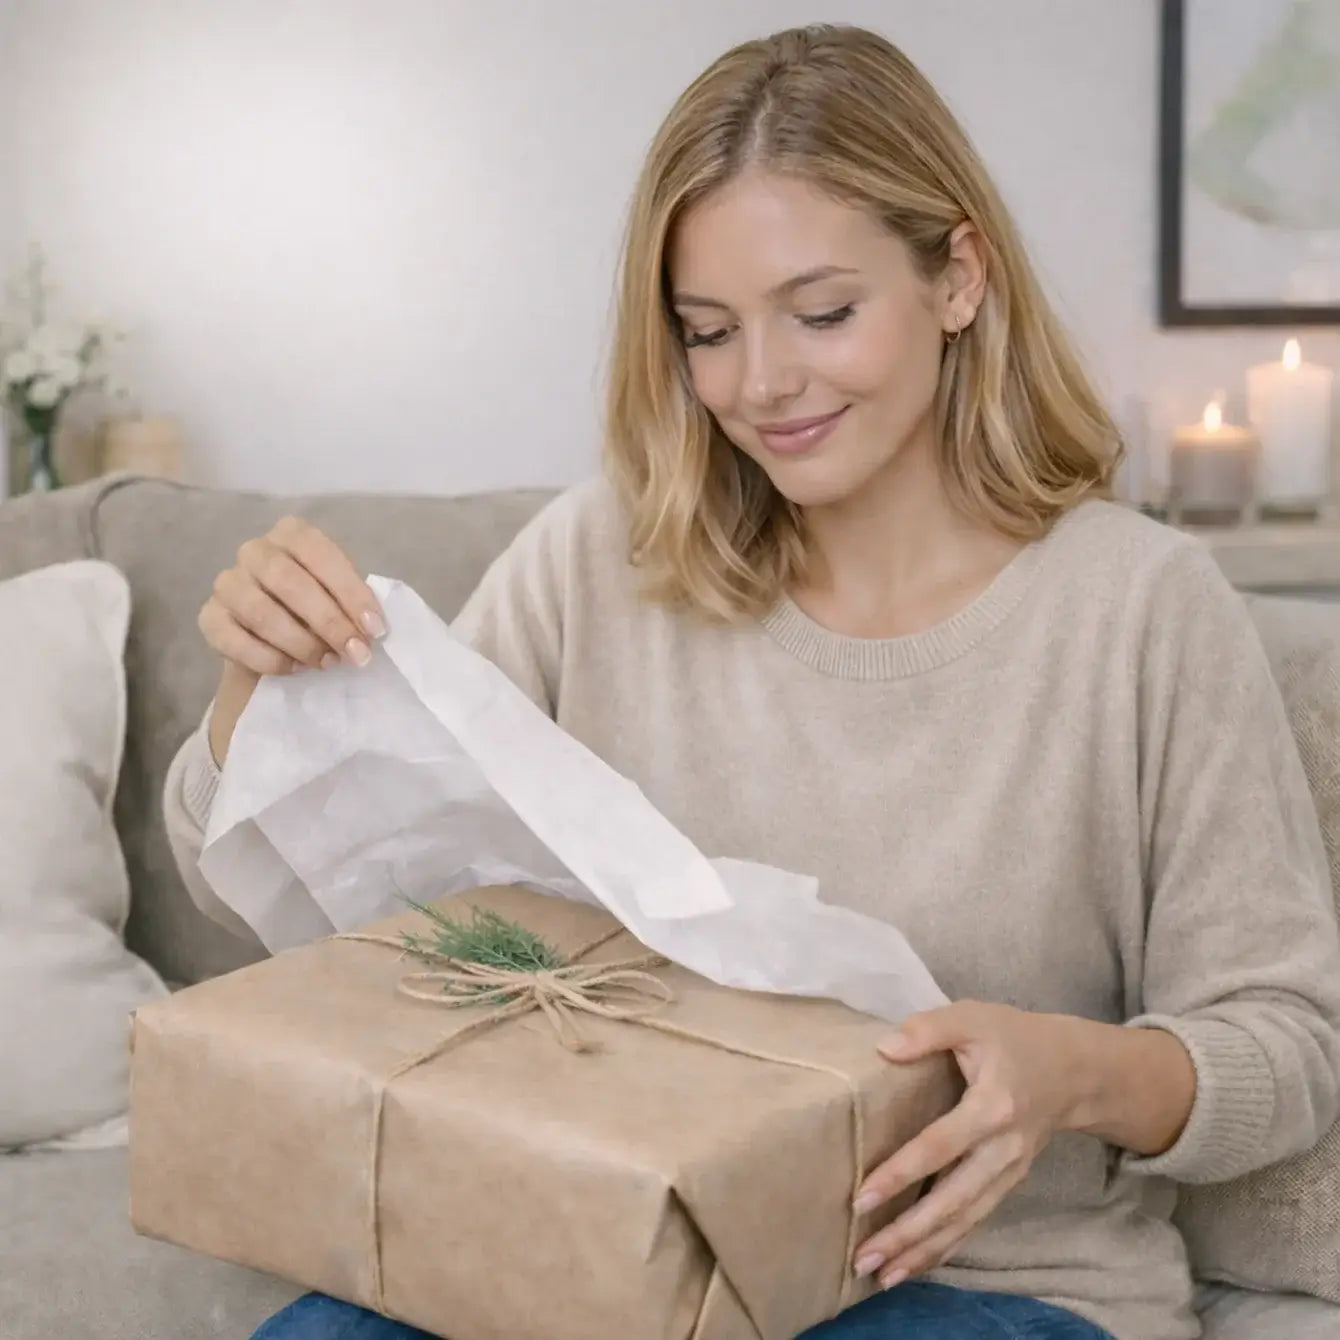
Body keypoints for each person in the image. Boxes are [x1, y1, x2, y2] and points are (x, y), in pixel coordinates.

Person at [164, 23, 1340, 1340]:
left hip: (976, 1287)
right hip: (594, 1253)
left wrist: (1074, 1075)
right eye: (708, 332)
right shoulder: (599, 561)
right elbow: (314, 897)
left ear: (958, 277)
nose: (763, 384)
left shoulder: (1142, 614)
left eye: (822, 313)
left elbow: (1288, 1042)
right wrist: (255, 692)